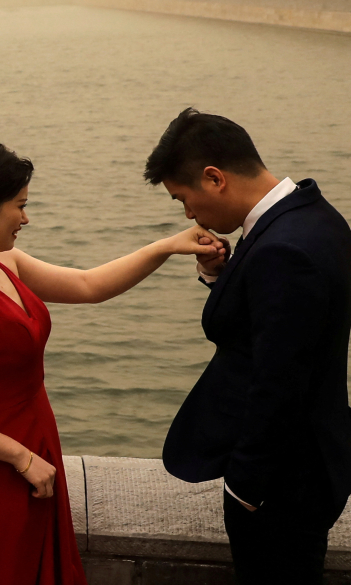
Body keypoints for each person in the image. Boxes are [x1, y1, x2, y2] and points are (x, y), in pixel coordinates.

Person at [0, 139, 223, 585]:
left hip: (33, 447)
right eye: (20, 206)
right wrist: (21, 458)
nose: (25, 218)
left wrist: (167, 247)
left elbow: (89, 285)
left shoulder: (2, 262)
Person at [149, 108, 351, 583]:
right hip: (309, 463)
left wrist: (245, 487)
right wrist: (220, 276)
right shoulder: (313, 215)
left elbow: (278, 382)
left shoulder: (283, 249)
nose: (188, 214)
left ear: (214, 178)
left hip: (285, 481)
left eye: (184, 199)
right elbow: (276, 330)